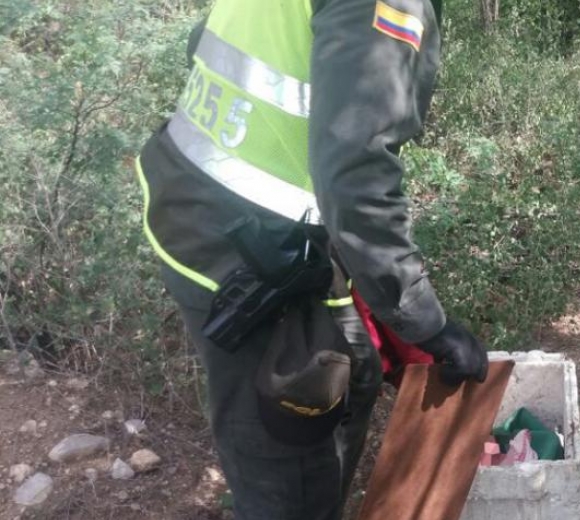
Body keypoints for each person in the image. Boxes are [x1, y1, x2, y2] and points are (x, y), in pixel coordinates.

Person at [134, 0, 488, 517]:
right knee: (292, 456)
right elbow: (355, 168)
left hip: (196, 206)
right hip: (248, 257)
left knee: (354, 374)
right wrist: (423, 320)